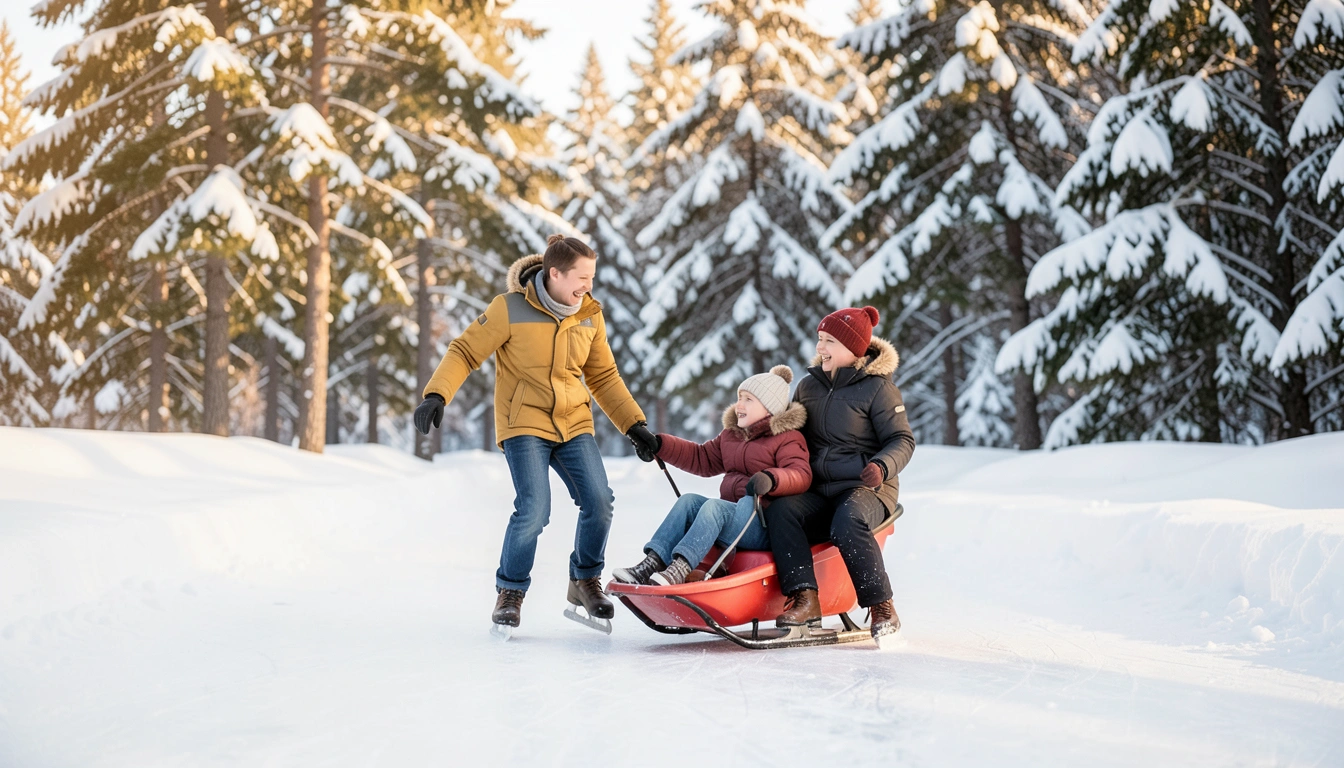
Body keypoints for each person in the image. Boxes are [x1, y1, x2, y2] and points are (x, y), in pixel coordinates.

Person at [412, 234, 660, 634]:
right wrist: (437, 394)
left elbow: (602, 375)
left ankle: (584, 580)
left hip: (573, 422)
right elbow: (465, 351)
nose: (588, 286)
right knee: (534, 509)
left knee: (600, 501)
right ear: (554, 273)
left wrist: (635, 425)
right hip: (523, 422)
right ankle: (510, 592)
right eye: (582, 277)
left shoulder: (589, 315)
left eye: (592, 277)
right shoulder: (509, 309)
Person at [763, 306, 915, 648]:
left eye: (829, 341)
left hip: (868, 487)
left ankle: (882, 606)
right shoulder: (808, 387)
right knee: (782, 511)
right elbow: (790, 437)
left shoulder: (878, 389)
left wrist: (881, 466)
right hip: (820, 489)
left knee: (847, 521)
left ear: (853, 348)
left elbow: (902, 439)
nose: (820, 348)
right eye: (820, 339)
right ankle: (805, 598)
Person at [612, 366, 812, 586]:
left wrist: (772, 478)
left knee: (714, 507)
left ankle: (680, 568)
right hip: (730, 519)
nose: (740, 405)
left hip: (760, 525)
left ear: (770, 409)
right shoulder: (731, 436)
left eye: (748, 400)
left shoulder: (787, 438)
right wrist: (660, 445)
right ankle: (652, 563)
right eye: (739, 398)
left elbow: (801, 474)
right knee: (688, 501)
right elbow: (701, 458)